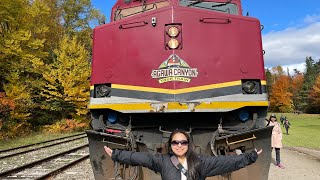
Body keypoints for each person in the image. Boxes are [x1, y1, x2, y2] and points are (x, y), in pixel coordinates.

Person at [104, 129, 263, 180]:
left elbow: (226, 162)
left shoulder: (201, 162)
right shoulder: (162, 161)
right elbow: (141, 158)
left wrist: (250, 156)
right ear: (170, 145)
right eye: (175, 142)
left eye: (183, 142)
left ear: (188, 144)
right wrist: (117, 155)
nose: (179, 145)